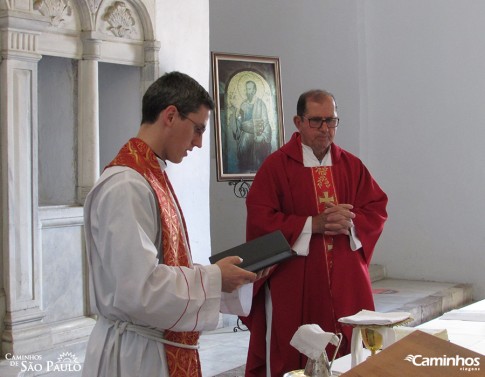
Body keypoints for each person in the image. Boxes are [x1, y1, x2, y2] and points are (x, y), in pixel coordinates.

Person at [82, 71, 257, 377]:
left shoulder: (151, 174)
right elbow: (138, 290)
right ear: (171, 115)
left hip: (153, 345)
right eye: (198, 129)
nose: (200, 143)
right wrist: (214, 278)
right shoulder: (126, 185)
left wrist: (225, 280)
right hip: (136, 356)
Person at [242, 89, 388, 376]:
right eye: (316, 121)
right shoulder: (276, 166)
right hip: (295, 279)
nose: (325, 129)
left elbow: (377, 208)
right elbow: (261, 217)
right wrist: (313, 225)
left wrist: (350, 222)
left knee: (352, 352)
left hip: (346, 280)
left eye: (331, 121)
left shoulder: (351, 165)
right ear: (298, 122)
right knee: (296, 352)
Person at [232, 80, 272, 172]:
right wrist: (237, 115)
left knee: (257, 164)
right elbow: (239, 121)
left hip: (257, 138)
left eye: (249, 89)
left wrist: (262, 136)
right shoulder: (243, 105)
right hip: (245, 138)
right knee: (243, 162)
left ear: (254, 91)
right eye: (246, 89)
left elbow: (266, 122)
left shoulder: (260, 104)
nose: (247, 91)